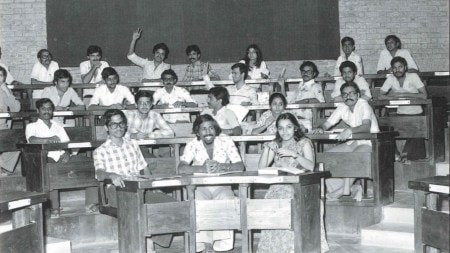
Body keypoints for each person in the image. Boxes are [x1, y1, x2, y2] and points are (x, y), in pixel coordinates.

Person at [93, 109, 174, 251]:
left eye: (121, 124)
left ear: (126, 125)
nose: (118, 128)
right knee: (140, 206)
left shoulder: (133, 144)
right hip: (118, 190)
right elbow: (99, 174)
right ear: (106, 127)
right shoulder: (100, 151)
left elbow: (144, 168)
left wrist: (152, 185)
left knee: (171, 204)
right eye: (113, 124)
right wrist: (111, 175)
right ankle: (147, 243)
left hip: (139, 187)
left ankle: (150, 237)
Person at [256, 112, 329, 253]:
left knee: (288, 199)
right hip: (279, 185)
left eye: (288, 127)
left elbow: (310, 166)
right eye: (281, 128)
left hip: (301, 185)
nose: (285, 131)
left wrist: (294, 154)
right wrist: (267, 148)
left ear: (295, 127)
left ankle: (293, 248)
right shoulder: (276, 145)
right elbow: (261, 168)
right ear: (277, 130)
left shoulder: (304, 142)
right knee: (272, 198)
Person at [178, 114, 244, 252]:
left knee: (226, 199)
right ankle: (204, 244)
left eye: (211, 128)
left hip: (222, 184)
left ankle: (221, 244)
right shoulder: (192, 144)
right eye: (203, 129)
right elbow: (181, 168)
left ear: (216, 129)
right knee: (197, 200)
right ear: (197, 131)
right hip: (200, 186)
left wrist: (223, 166)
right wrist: (200, 168)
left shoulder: (225, 141)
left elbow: (240, 166)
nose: (208, 132)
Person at [313, 82, 380, 200]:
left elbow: (366, 127)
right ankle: (353, 188)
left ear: (358, 94)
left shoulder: (364, 104)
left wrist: (349, 130)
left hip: (371, 142)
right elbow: (327, 124)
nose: (348, 96)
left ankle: (344, 191)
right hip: (355, 142)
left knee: (352, 158)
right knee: (327, 158)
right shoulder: (342, 107)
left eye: (351, 93)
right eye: (344, 94)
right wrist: (320, 129)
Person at [379, 56, 427, 161]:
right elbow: (380, 96)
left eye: (400, 67)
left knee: (415, 135)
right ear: (392, 69)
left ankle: (406, 154)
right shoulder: (391, 78)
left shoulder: (413, 76)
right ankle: (396, 154)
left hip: (416, 114)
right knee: (387, 129)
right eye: (395, 68)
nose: (397, 70)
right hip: (401, 113)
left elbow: (424, 95)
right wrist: (394, 96)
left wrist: (405, 94)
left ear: (405, 67)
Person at [280, 61, 325, 130]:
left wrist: (304, 102)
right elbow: (286, 101)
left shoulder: (316, 86)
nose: (305, 73)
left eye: (308, 72)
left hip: (305, 121)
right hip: (293, 120)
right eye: (303, 71)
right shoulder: (300, 86)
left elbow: (321, 102)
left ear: (314, 74)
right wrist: (282, 85)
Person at [0, 65, 21, 174]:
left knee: (17, 143)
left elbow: (16, 109)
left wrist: (8, 93)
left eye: (0, 75)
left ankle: (4, 167)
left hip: (2, 127)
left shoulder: (4, 92)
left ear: (4, 78)